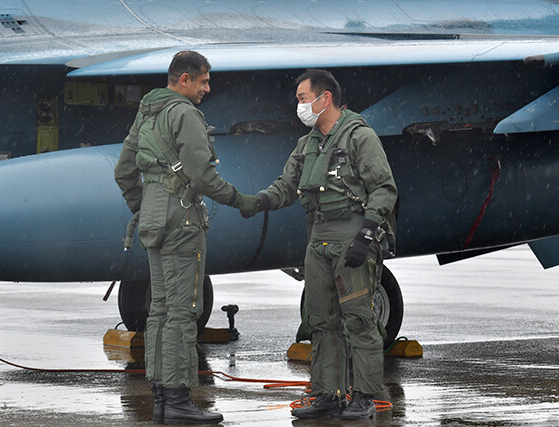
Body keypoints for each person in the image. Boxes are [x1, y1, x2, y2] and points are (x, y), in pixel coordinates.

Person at [239, 69, 398, 421]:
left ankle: (365, 396)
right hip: (319, 237)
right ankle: (329, 393)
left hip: (351, 235)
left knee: (358, 319)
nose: (299, 106)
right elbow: (285, 186)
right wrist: (256, 202)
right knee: (321, 321)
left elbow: (384, 189)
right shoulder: (307, 144)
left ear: (324, 99)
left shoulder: (360, 137)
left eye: (302, 98)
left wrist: (367, 234)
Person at [114, 51, 257, 425]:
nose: (207, 88)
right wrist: (241, 201)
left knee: (159, 308)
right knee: (183, 311)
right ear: (184, 80)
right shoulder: (185, 114)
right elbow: (203, 176)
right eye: (204, 81)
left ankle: (162, 394)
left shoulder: (147, 112)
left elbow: (124, 171)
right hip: (182, 220)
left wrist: (143, 208)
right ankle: (178, 399)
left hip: (154, 217)